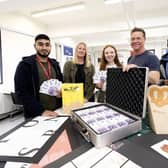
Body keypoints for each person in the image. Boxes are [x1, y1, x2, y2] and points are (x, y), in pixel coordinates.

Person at [14, 34, 63, 119]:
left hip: (57, 111)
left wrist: (61, 92)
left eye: (47, 45)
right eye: (40, 44)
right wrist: (41, 111)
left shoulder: (55, 64)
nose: (44, 47)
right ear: (35, 46)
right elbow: (21, 93)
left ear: (50, 47)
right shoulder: (25, 65)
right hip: (36, 114)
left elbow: (62, 83)